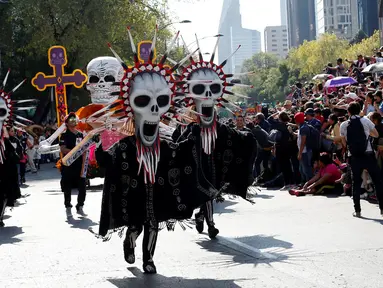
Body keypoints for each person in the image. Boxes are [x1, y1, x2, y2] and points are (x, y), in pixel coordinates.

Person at [340, 102, 383, 218]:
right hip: (368, 154)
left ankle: (357, 210)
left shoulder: (344, 125)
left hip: (354, 157)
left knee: (356, 183)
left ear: (348, 112)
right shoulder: (365, 121)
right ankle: (382, 208)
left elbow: (344, 142)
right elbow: (376, 134)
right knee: (377, 181)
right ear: (360, 110)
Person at [59, 113, 87, 216]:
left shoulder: (80, 134)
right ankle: (68, 206)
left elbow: (85, 148)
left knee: (83, 187)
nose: (73, 121)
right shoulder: (64, 135)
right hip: (68, 165)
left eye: (74, 119)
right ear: (66, 122)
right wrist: (75, 151)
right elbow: (62, 149)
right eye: (71, 119)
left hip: (80, 165)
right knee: (67, 187)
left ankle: (80, 206)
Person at [295, 112, 313, 184]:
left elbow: (303, 142)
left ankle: (308, 183)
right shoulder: (303, 127)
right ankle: (304, 183)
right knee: (302, 168)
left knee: (306, 169)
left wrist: (300, 153)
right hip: (303, 151)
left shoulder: (303, 128)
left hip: (304, 151)